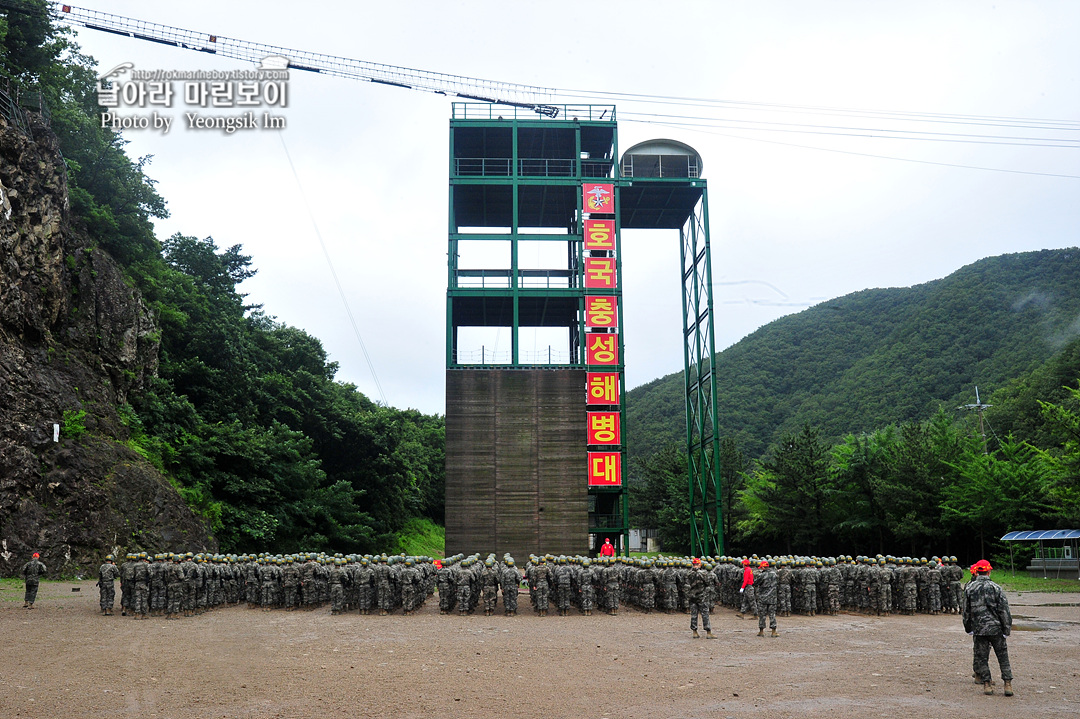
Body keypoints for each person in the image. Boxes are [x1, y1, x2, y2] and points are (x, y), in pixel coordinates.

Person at [962, 559, 1013, 697]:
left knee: (982, 657)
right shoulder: (996, 588)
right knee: (1003, 656)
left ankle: (987, 684)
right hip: (996, 628)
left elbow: (966, 611)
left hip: (979, 629)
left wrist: (968, 628)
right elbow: (1004, 610)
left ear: (977, 571)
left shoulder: (970, 588)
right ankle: (1007, 684)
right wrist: (1006, 629)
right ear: (989, 571)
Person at [755, 560, 779, 637]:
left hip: (763, 598)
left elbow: (755, 583)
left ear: (763, 567)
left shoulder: (762, 575)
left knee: (762, 614)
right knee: (772, 614)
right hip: (772, 597)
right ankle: (773, 631)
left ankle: (761, 631)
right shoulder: (775, 574)